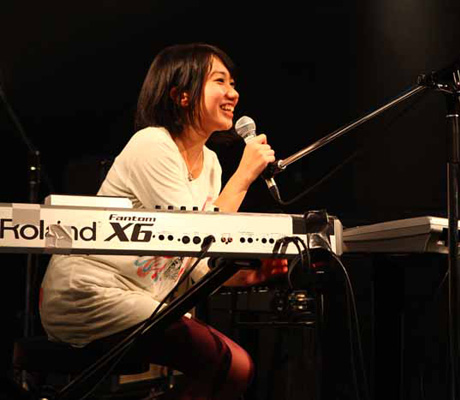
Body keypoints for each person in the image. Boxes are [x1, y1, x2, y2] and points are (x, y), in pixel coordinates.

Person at [39, 43, 287, 400]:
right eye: (219, 81)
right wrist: (244, 176)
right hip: (87, 293)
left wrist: (245, 276)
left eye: (233, 83)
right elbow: (195, 236)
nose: (233, 93)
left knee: (233, 368)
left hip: (139, 299)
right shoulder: (153, 144)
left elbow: (194, 263)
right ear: (181, 96)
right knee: (231, 365)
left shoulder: (211, 164)